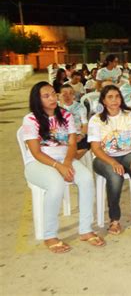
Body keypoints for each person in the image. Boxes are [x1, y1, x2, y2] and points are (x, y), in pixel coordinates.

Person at [22, 82, 104, 253]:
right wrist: (58, 166)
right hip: (38, 164)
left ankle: (85, 229)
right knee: (56, 183)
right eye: (46, 96)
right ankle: (50, 235)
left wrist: (67, 162)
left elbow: (72, 143)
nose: (53, 98)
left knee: (86, 178)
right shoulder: (30, 119)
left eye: (53, 93)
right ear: (37, 100)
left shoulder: (65, 115)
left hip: (64, 159)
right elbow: (36, 152)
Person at [88, 85, 131, 235]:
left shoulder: (129, 116)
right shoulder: (96, 120)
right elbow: (95, 148)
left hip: (128, 154)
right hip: (103, 158)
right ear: (103, 100)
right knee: (115, 177)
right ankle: (114, 219)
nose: (114, 100)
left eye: (117, 96)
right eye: (110, 97)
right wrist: (113, 162)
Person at [59, 84, 90, 159]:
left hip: (77, 133)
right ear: (59, 95)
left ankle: (71, 160)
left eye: (70, 93)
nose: (68, 96)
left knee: (87, 142)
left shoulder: (80, 107)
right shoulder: (55, 107)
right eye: (64, 93)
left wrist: (81, 135)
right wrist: (61, 105)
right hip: (61, 136)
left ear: (74, 95)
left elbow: (85, 124)